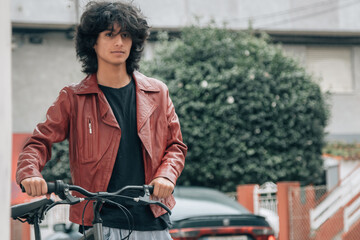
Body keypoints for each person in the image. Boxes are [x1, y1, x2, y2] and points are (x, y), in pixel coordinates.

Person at [16, 1, 187, 239]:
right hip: (99, 220)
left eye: (125, 35)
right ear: (93, 43)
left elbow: (175, 146)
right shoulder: (73, 97)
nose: (119, 42)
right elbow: (38, 141)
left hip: (153, 219)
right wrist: (30, 173)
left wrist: (166, 175)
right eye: (110, 35)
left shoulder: (158, 93)